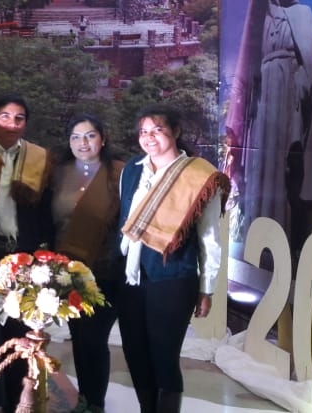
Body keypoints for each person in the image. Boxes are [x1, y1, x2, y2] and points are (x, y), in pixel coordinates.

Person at [225, 0, 312, 254]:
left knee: (286, 167)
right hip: (266, 92)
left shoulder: (304, 13)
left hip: (290, 97)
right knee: (261, 160)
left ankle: (282, 244)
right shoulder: (265, 2)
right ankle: (256, 240)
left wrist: (300, 89)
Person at [117, 104, 227, 413]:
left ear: (176, 132)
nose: (149, 138)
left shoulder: (199, 176)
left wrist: (206, 290)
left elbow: (209, 240)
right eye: (143, 132)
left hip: (173, 279)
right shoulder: (132, 169)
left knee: (164, 357)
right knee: (135, 353)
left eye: (158, 130)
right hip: (130, 278)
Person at [0, 94, 52, 412]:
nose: (12, 124)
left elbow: (44, 210)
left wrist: (44, 254)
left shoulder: (36, 157)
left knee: (19, 331)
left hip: (22, 255)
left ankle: (15, 404)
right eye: (5, 116)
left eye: (19, 118)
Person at [50, 114, 124, 413]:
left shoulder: (119, 174)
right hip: (67, 272)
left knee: (94, 338)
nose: (83, 143)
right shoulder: (58, 173)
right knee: (79, 337)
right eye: (76, 137)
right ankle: (83, 398)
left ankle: (95, 403)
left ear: (102, 139)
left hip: (105, 270)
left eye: (90, 135)